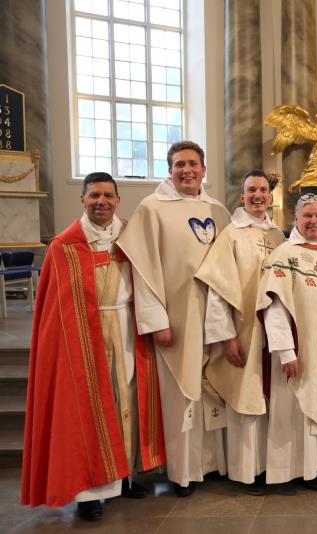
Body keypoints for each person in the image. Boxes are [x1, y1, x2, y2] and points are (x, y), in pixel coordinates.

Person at [20, 173, 166, 521]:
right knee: (88, 407)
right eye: (94, 195)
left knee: (127, 400)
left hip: (129, 328)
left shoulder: (131, 236)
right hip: (85, 335)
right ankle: (89, 493)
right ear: (82, 200)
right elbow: (55, 309)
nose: (102, 201)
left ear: (118, 201)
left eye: (108, 196)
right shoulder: (64, 245)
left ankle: (126, 476)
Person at [118, 141, 230, 497]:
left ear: (204, 170)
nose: (187, 170)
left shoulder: (217, 209)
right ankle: (184, 472)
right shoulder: (152, 209)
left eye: (193, 164)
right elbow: (142, 268)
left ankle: (213, 465)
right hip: (177, 318)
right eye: (180, 164)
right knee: (182, 394)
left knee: (214, 388)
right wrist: (157, 321)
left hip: (215, 315)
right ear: (169, 170)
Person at [195, 170, 285, 494]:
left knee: (270, 396)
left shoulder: (279, 236)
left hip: (274, 333)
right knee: (247, 397)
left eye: (263, 190)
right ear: (242, 196)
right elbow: (218, 291)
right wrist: (227, 337)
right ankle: (247, 470)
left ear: (270, 196)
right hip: (245, 330)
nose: (258, 195)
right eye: (251, 190)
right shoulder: (231, 235)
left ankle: (271, 466)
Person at [256, 194, 317, 491]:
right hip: (298, 348)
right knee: (294, 408)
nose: (314, 221)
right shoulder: (284, 255)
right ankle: (291, 470)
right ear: (296, 219)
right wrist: (285, 352)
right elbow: (274, 307)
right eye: (307, 216)